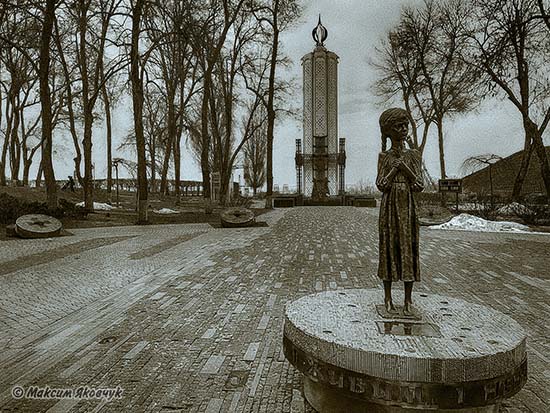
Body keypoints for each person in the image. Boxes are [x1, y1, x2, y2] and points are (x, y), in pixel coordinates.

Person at [376, 108, 424, 316]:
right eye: (398, 126)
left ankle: (407, 300)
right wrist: (394, 169)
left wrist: (406, 169)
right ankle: (387, 299)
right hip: (389, 206)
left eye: (405, 125)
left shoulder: (413, 155)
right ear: (388, 131)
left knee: (408, 248)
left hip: (408, 206)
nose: (403, 130)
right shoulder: (384, 156)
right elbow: (380, 184)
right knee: (388, 246)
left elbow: (419, 184)